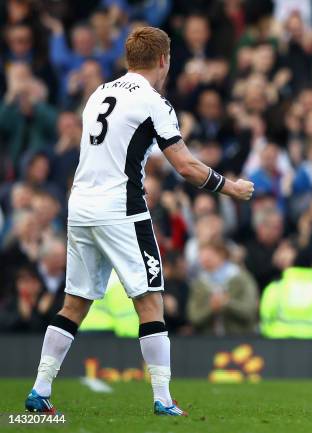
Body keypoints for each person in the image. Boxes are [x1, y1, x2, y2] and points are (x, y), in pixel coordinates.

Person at [24, 26, 254, 417]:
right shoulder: (154, 102)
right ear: (163, 60)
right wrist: (230, 188)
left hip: (79, 205)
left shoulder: (99, 93)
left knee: (75, 302)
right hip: (121, 207)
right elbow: (184, 166)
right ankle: (163, 399)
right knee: (149, 302)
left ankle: (40, 389)